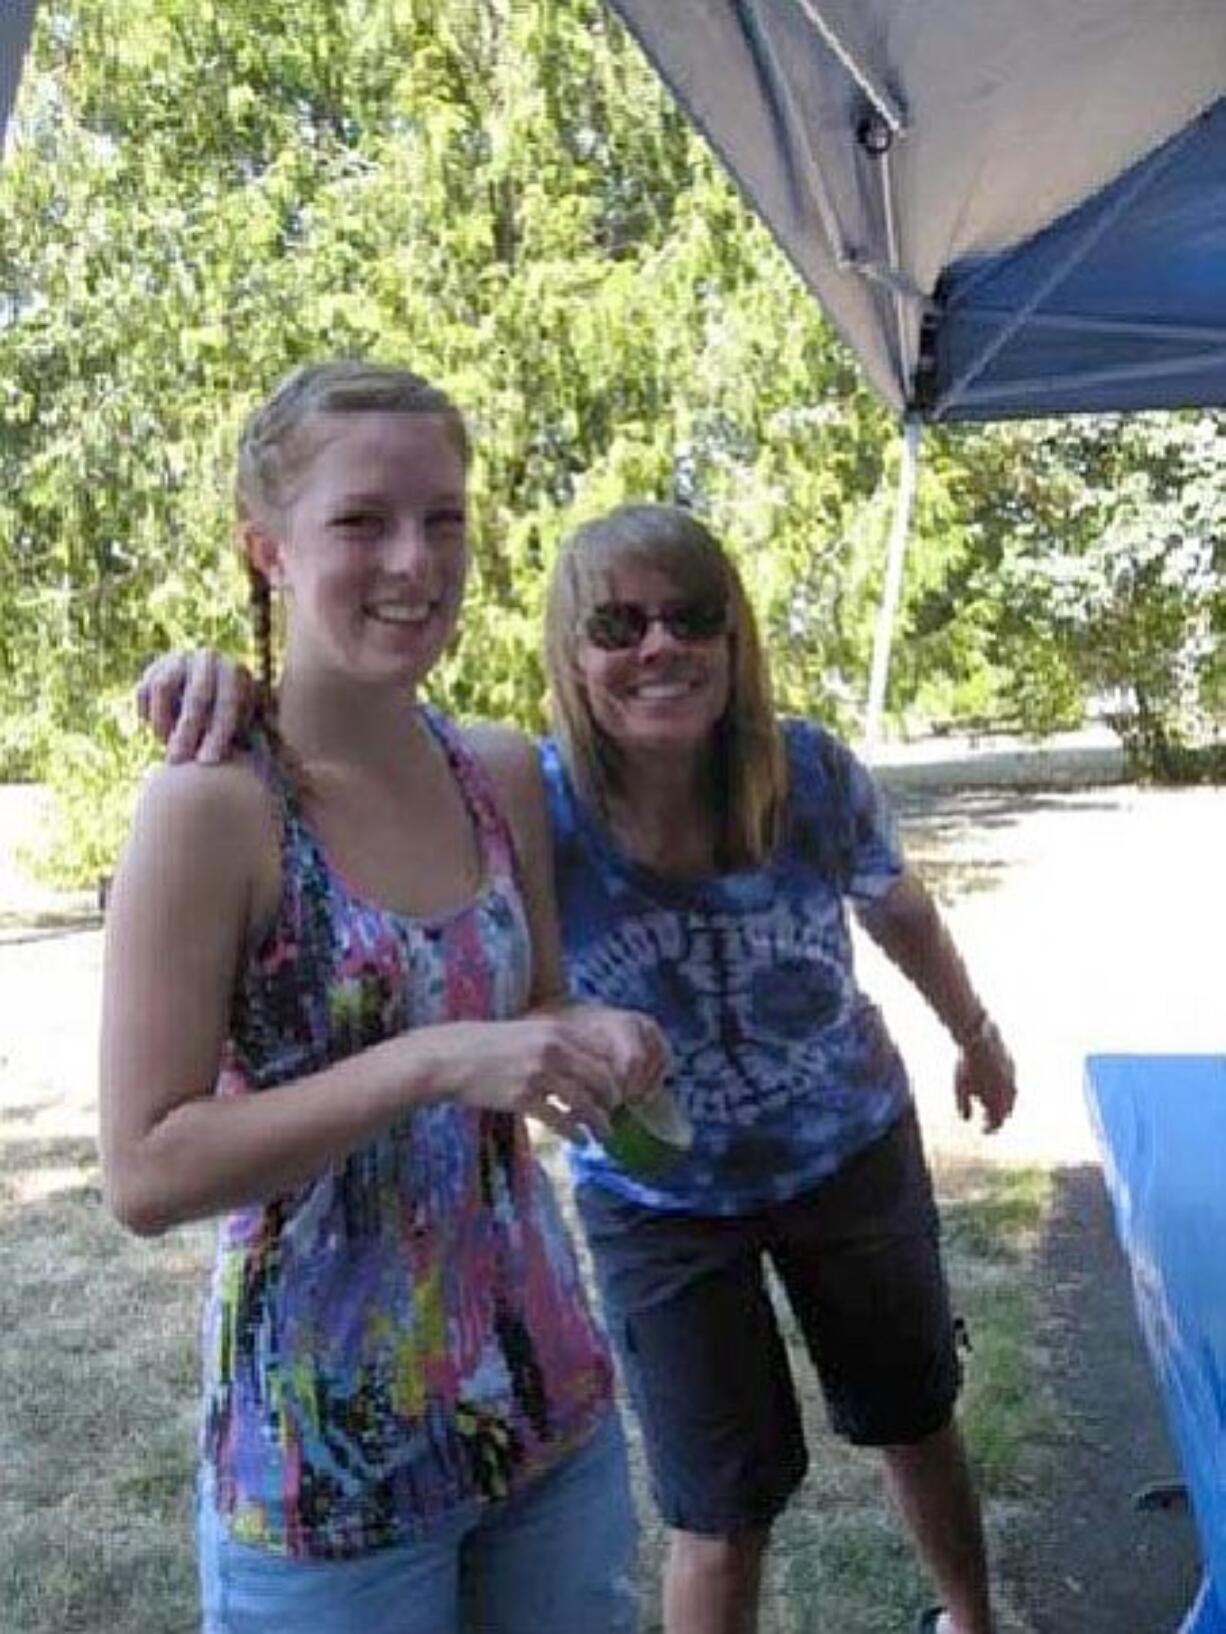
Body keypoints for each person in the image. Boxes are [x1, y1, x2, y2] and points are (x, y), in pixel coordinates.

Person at [142, 501, 1018, 1634]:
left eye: (692, 616)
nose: (659, 646)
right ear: (570, 651)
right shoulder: (530, 798)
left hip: (845, 1150)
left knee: (910, 1412)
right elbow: (363, 757)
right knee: (716, 1503)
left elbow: (897, 906)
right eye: (617, 623)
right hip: (656, 1200)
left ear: (734, 637)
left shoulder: (805, 770)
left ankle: (971, 1619)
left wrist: (976, 1032)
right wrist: (226, 680)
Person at [101, 360, 670, 1634]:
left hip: (543, 1401)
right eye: (361, 520)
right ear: (269, 549)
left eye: (445, 516)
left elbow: (532, 1026)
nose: (415, 559)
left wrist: (600, 1044)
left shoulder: (500, 771)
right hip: (324, 1461)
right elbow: (145, 1170)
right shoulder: (214, 806)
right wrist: (428, 1059)